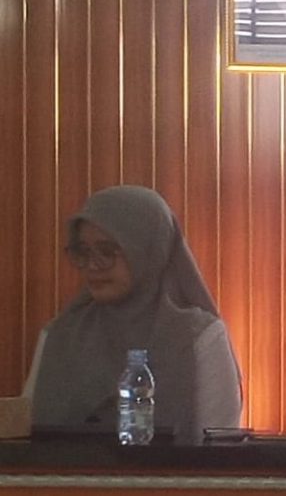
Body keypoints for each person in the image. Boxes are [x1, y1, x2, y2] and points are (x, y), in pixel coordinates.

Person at [23, 186, 242, 444]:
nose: (92, 265)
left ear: (150, 250)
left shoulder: (199, 337)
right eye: (83, 251)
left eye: (107, 251)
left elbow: (220, 448)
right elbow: (24, 436)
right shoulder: (59, 335)